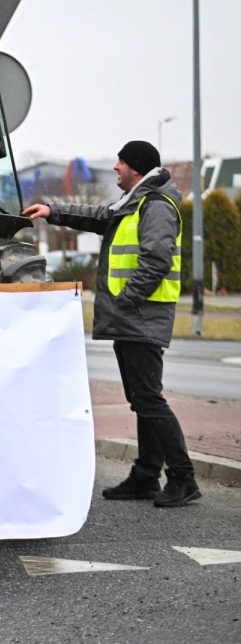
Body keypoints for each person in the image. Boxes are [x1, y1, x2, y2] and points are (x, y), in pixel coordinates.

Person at [23, 140, 199, 507]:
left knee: (149, 399)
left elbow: (157, 260)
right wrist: (53, 212)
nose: (115, 167)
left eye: (120, 162)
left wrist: (126, 300)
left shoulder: (156, 205)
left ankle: (183, 478)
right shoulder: (135, 201)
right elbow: (100, 218)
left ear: (136, 168)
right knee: (141, 399)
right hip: (133, 317)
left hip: (141, 316)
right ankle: (146, 476)